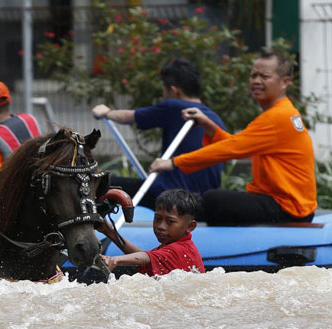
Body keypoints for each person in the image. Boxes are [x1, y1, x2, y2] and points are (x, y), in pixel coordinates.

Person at [150, 51, 317, 226]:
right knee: (212, 199)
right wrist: (210, 127)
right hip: (283, 202)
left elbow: (232, 148)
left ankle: (172, 218)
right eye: (254, 75)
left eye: (264, 76)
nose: (256, 81)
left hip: (288, 208)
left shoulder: (278, 117)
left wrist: (174, 163)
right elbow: (238, 145)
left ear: (285, 82)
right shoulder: (282, 113)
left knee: (214, 199)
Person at [92, 58, 226, 209]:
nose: (163, 94)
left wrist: (107, 112)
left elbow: (131, 117)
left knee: (98, 184)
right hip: (203, 202)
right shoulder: (214, 119)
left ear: (174, 90)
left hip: (172, 196)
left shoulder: (177, 107)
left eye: (163, 88)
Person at [99, 189, 205, 276]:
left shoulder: (181, 250)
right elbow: (147, 257)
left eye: (170, 222)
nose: (161, 226)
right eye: (157, 219)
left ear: (190, 226)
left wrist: (116, 259)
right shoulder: (170, 246)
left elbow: (146, 257)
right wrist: (108, 231)